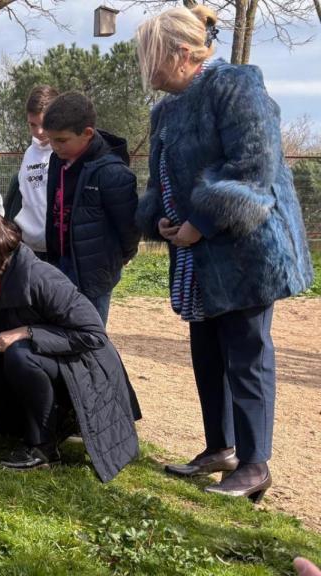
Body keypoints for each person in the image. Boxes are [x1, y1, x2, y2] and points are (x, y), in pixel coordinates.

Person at [135, 6, 313, 502]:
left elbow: (253, 167)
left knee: (247, 354)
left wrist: (202, 221)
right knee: (207, 353)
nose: (145, 69)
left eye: (151, 57)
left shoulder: (237, 85)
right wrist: (161, 218)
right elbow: (163, 179)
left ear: (183, 53)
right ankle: (221, 449)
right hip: (194, 255)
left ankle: (255, 464)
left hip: (247, 252)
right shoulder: (165, 111)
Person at [0, 213, 140, 478]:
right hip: (44, 359)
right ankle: (31, 430)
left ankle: (42, 447)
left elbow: (93, 335)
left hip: (81, 365)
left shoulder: (41, 278)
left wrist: (28, 332)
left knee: (19, 354)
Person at [41, 91, 139, 325]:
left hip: (94, 272)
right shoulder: (58, 161)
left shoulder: (112, 173)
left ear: (87, 133)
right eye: (51, 140)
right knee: (58, 329)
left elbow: (129, 226)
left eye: (61, 140)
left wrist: (120, 257)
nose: (54, 147)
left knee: (89, 335)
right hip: (59, 264)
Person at [4, 85, 58, 257]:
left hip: (58, 248)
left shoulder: (63, 152)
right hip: (29, 248)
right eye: (33, 125)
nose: (39, 131)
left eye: (44, 124)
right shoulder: (29, 153)